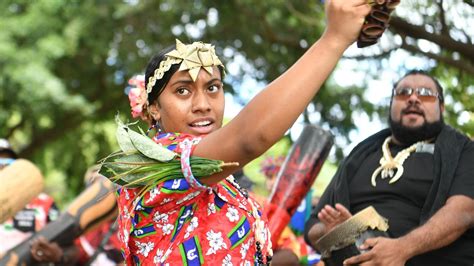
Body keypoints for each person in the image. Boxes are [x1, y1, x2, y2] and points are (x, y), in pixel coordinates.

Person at [115, 1, 370, 264]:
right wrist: (334, 39)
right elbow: (250, 138)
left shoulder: (225, 185)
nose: (203, 105)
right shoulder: (159, 161)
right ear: (154, 107)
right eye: (182, 91)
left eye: (213, 88)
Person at [305, 70, 474, 265]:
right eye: (403, 93)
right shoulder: (359, 156)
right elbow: (313, 225)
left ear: (441, 107)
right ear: (391, 104)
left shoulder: (464, 151)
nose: (413, 98)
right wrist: (339, 233)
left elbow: (463, 212)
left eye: (425, 94)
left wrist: (401, 249)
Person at [0, 139, 60, 258]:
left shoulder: (43, 202)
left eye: (7, 163)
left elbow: (66, 245)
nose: (2, 168)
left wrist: (57, 255)